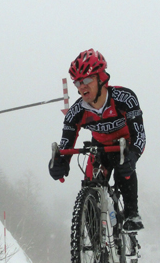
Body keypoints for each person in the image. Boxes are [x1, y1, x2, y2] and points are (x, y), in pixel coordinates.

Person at [49, 49, 146, 231]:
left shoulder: (125, 98)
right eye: (77, 82)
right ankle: (95, 251)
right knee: (89, 185)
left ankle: (132, 214)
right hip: (100, 149)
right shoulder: (77, 111)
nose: (82, 87)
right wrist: (60, 162)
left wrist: (134, 155)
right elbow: (66, 143)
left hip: (123, 146)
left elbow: (139, 134)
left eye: (86, 80)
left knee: (123, 170)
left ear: (102, 78)